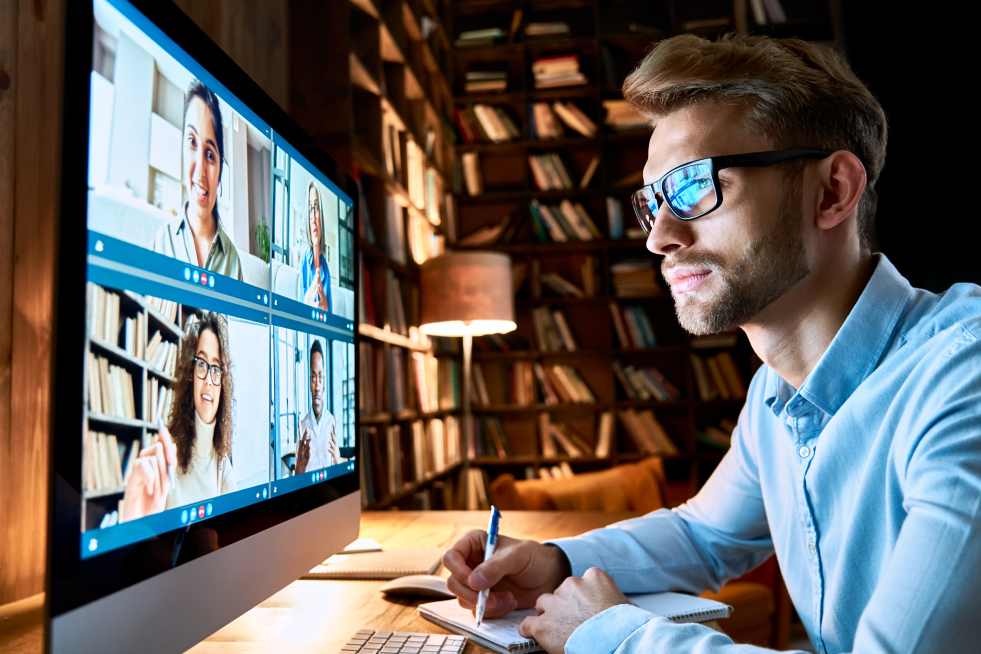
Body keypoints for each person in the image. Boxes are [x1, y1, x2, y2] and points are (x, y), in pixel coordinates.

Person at [442, 34, 981, 654]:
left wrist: (611, 638)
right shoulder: (775, 394)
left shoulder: (961, 375)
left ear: (832, 191)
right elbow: (704, 537)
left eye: (696, 185)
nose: (660, 237)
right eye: (653, 202)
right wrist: (552, 560)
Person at [122, 312, 238, 520]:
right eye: (201, 363)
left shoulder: (223, 467)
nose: (209, 381)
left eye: (216, 368)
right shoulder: (166, 457)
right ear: (190, 374)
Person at [152, 79, 243, 281]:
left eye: (210, 154)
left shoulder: (233, 262)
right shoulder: (163, 240)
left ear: (220, 173)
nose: (200, 171)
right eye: (192, 141)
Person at [294, 338, 339, 474]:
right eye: (313, 377)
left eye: (320, 377)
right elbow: (297, 477)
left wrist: (338, 459)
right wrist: (299, 468)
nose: (317, 386)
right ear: (309, 383)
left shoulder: (332, 423)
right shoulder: (303, 427)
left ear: (324, 383)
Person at [300, 181, 332, 312]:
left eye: (316, 207)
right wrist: (305, 305)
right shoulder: (303, 263)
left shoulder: (326, 270)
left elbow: (330, 319)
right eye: (309, 209)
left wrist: (326, 310)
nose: (313, 217)